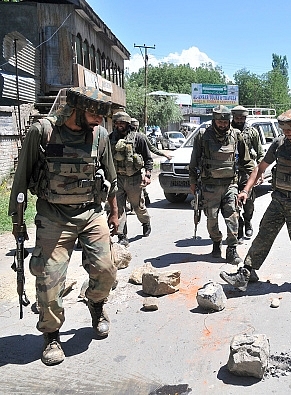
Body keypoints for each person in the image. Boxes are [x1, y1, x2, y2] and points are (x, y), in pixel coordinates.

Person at [8, 87, 118, 365]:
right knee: (49, 278)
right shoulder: (42, 132)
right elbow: (21, 181)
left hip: (91, 213)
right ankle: (51, 334)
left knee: (106, 269)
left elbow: (112, 180)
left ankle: (96, 302)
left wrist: (114, 213)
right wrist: (17, 223)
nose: (97, 120)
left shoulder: (100, 136)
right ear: (75, 110)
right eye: (93, 113)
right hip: (54, 215)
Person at [219, 109, 291, 291]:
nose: (286, 133)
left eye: (290, 129)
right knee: (264, 235)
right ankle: (246, 273)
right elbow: (260, 167)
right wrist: (245, 190)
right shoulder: (279, 144)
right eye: (284, 129)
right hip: (278, 201)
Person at [189, 105, 255, 264]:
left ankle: (232, 249)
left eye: (226, 122)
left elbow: (247, 161)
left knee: (232, 217)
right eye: (220, 122)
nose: (223, 125)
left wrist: (253, 178)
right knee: (211, 220)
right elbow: (194, 162)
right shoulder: (203, 136)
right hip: (209, 186)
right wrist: (192, 183)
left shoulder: (236, 135)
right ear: (214, 120)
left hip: (230, 185)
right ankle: (216, 241)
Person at [108, 111, 153, 246]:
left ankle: (146, 222)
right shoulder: (110, 139)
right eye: (117, 123)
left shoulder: (139, 138)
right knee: (119, 208)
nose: (119, 125)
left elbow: (148, 158)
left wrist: (148, 174)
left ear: (128, 124)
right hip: (117, 179)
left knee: (138, 207)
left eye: (122, 123)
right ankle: (122, 236)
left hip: (134, 178)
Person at [231, 105, 263, 239]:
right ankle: (238, 225)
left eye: (242, 118)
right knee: (231, 202)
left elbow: (261, 153)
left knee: (248, 201)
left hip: (247, 172)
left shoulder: (252, 132)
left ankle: (248, 221)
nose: (239, 120)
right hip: (231, 171)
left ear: (245, 117)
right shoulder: (227, 131)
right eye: (237, 117)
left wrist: (259, 172)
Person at [130, 117, 171, 207]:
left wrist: (164, 154)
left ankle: (143, 202)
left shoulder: (141, 137)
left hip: (137, 166)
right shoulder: (122, 137)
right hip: (127, 166)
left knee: (140, 186)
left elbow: (151, 149)